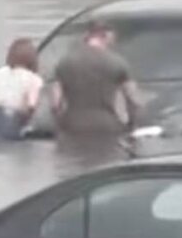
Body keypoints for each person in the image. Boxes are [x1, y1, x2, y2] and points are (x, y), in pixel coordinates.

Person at [51, 20, 142, 159]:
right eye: (112, 39)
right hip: (107, 126)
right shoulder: (118, 62)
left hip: (72, 126)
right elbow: (133, 100)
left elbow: (56, 103)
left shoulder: (64, 62)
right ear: (105, 36)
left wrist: (60, 126)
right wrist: (131, 126)